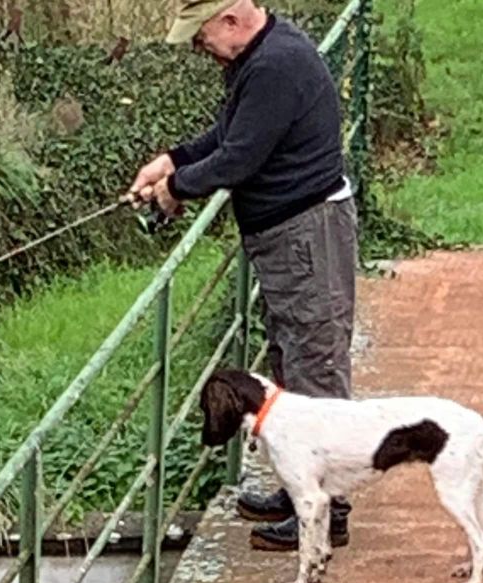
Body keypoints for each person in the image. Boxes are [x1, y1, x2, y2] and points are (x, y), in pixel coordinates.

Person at [129, 0, 358, 551]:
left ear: (231, 19)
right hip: (286, 235)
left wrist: (176, 188)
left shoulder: (275, 65)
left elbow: (239, 159)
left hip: (306, 234)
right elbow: (231, 133)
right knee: (289, 358)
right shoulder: (259, 59)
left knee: (315, 366)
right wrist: (174, 159)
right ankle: (300, 488)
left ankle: (328, 513)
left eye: (201, 34)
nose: (197, 47)